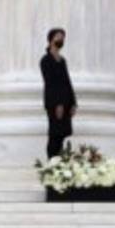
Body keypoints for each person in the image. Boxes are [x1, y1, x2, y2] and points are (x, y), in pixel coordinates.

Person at [40, 27, 77, 159]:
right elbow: (50, 83)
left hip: (66, 102)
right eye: (58, 37)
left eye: (62, 37)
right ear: (51, 40)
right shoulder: (45, 60)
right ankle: (51, 162)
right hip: (54, 103)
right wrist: (58, 104)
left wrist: (73, 103)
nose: (61, 40)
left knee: (62, 135)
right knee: (54, 135)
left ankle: (59, 163)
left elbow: (67, 81)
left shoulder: (62, 60)